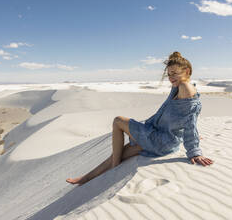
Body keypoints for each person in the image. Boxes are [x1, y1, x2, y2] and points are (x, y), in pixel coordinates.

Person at [66, 51, 214, 186]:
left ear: (186, 71)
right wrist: (182, 134)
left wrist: (195, 151)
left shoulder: (185, 88)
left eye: (174, 73)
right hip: (163, 140)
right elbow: (184, 118)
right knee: (119, 153)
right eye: (169, 74)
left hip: (158, 140)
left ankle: (114, 169)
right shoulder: (179, 87)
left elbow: (190, 121)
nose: (170, 78)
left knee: (118, 121)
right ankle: (85, 178)